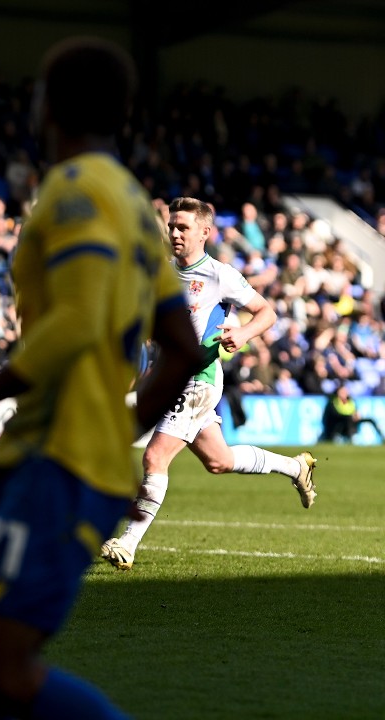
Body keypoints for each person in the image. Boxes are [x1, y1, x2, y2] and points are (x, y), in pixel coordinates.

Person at [0, 37, 202, 718]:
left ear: (47, 104)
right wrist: (117, 436)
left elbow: (72, 323)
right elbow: (183, 348)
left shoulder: (75, 191)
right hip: (44, 449)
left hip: (57, 457)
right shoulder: (132, 204)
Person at [100, 196, 318, 571]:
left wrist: (245, 334)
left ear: (205, 232)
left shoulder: (220, 275)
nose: (175, 233)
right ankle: (295, 467)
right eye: (172, 226)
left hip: (197, 380)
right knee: (219, 460)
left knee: (154, 456)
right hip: (165, 378)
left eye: (183, 227)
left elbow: (266, 311)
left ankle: (128, 543)